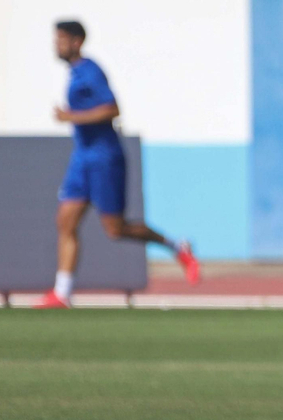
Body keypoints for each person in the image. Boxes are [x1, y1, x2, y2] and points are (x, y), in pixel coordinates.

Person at [34, 20, 199, 308]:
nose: (56, 44)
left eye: (61, 39)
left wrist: (70, 117)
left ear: (77, 42)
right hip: (82, 157)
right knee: (65, 221)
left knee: (115, 229)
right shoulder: (73, 73)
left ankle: (177, 247)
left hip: (104, 157)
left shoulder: (90, 70)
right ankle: (62, 292)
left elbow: (112, 108)